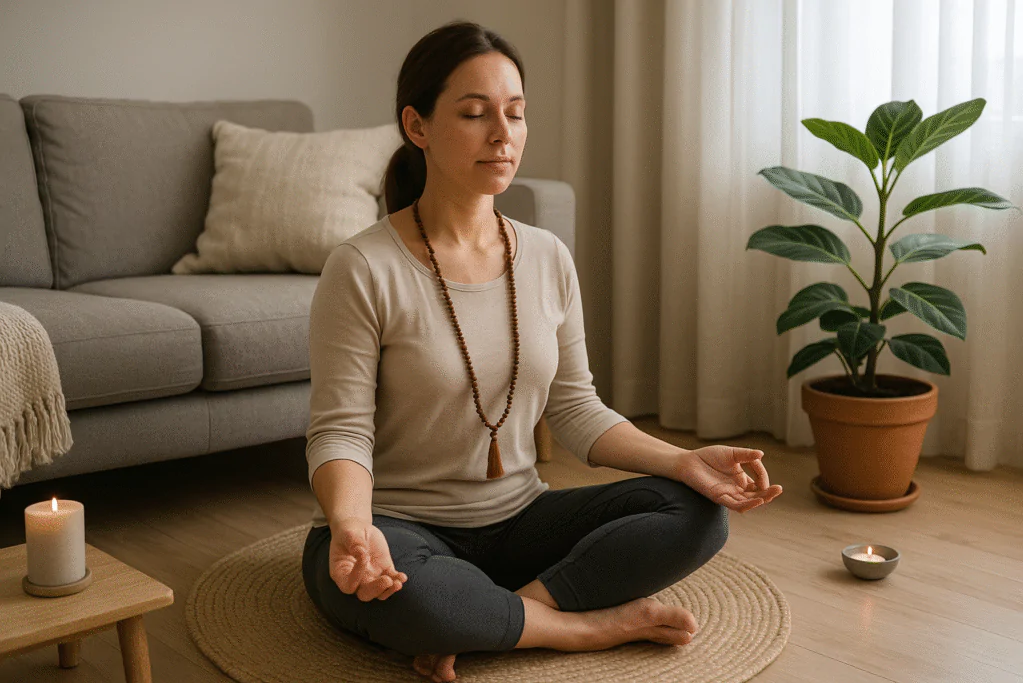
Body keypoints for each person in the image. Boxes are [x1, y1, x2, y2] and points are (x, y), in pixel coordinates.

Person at [301, 19, 783, 683]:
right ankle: (584, 627)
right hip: (403, 529)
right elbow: (341, 431)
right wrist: (353, 527)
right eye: (474, 114)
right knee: (408, 596)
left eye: (516, 113)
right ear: (417, 126)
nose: (503, 135)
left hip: (519, 521)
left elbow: (577, 408)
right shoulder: (361, 268)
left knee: (698, 514)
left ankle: (507, 616)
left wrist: (685, 460)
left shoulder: (547, 255)